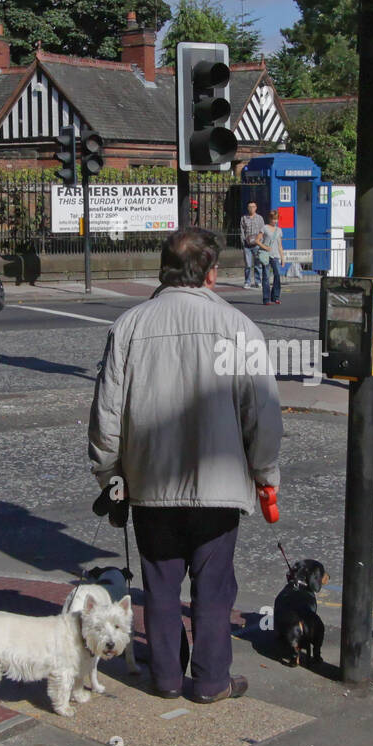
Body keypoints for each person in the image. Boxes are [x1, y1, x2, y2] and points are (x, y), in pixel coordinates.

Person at [89, 227, 283, 702]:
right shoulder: (240, 328)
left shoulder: (129, 326)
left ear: (163, 269)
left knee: (159, 581)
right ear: (212, 273)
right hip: (219, 482)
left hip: (151, 481)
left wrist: (110, 475)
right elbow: (262, 415)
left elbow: (106, 415)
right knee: (214, 586)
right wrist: (265, 473)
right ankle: (212, 681)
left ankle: (167, 677)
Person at [258, 209, 283, 304]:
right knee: (266, 276)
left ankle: (275, 296)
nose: (275, 221)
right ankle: (266, 298)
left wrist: (283, 258)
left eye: (276, 219)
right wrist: (265, 247)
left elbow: (280, 245)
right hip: (266, 255)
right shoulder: (264, 228)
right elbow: (257, 240)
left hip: (276, 255)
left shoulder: (279, 230)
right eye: (273, 219)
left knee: (277, 275)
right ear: (270, 219)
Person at [239, 201, 265, 289]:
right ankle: (247, 282)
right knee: (248, 265)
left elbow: (262, 230)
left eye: (253, 207)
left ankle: (258, 282)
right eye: (250, 207)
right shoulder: (243, 218)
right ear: (247, 208)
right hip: (247, 245)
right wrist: (243, 241)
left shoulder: (260, 218)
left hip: (257, 245)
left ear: (256, 207)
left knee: (258, 264)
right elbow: (242, 230)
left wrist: (260, 241)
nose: (251, 208)